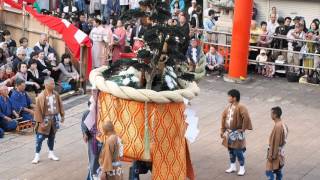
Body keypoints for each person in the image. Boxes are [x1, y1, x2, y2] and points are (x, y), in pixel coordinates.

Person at [32, 77, 65, 164]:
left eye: (54, 83)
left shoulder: (56, 94)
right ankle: (37, 155)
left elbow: (60, 105)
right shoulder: (41, 96)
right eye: (52, 84)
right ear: (46, 85)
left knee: (52, 137)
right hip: (44, 120)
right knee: (39, 139)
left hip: (54, 119)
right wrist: (40, 122)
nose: (54, 85)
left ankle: (51, 153)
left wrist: (62, 115)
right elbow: (37, 110)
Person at [220, 89, 253, 176]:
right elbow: (223, 118)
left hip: (237, 132)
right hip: (229, 132)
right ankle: (233, 166)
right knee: (230, 150)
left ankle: (242, 167)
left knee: (238, 150)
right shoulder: (228, 107)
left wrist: (243, 129)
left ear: (234, 98)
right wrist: (222, 130)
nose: (228, 98)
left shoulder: (241, 107)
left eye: (229, 96)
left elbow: (246, 117)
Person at [81, 89, 102, 180]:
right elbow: (84, 124)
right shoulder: (87, 112)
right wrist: (84, 133)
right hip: (92, 140)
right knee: (93, 161)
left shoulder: (103, 111)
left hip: (103, 139)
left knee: (102, 161)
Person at [266, 107, 288, 180]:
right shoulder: (283, 124)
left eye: (271, 113)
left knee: (268, 171)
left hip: (275, 154)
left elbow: (276, 142)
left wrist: (272, 155)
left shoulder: (278, 126)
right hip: (281, 152)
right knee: (278, 171)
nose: (270, 115)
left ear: (275, 115)